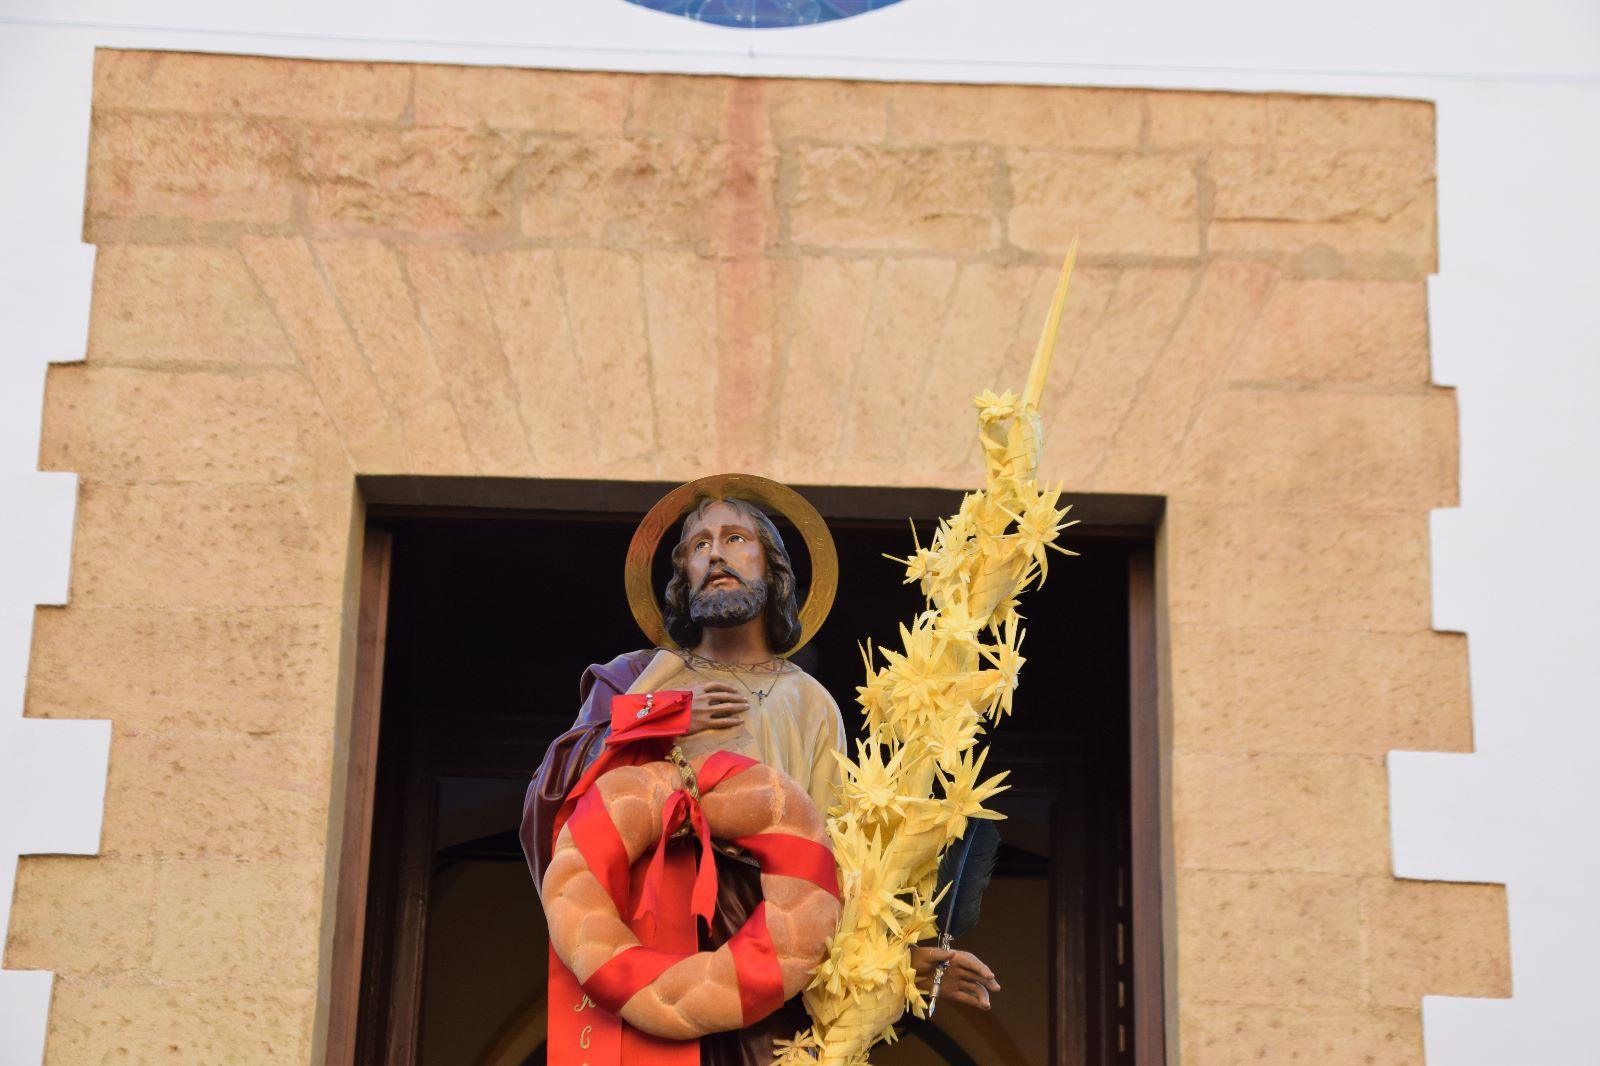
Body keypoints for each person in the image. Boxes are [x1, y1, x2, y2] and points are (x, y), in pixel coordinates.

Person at [522, 496, 999, 1065]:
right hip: (656, 926)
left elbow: (840, 856)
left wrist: (892, 958)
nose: (716, 555)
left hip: (774, 943)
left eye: (735, 539)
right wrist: (661, 712)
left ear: (774, 571)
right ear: (682, 578)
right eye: (699, 546)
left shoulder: (811, 702)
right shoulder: (637, 677)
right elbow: (555, 791)